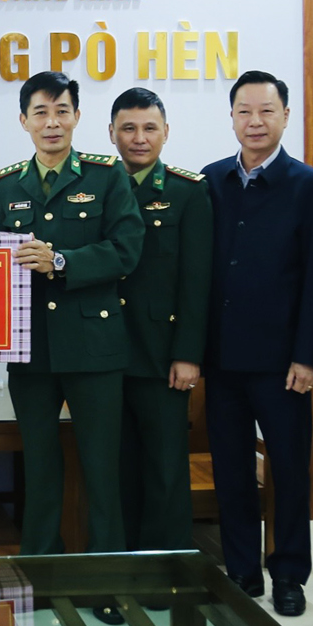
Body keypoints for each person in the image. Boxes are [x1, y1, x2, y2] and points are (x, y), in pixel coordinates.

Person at [0, 71, 144, 556]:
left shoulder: (107, 176)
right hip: (31, 349)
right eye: (41, 112)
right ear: (24, 121)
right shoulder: (7, 184)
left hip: (94, 347)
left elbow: (127, 250)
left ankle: (107, 574)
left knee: (102, 469)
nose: (52, 122)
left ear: (77, 117)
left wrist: (60, 261)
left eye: (62, 111)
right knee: (39, 468)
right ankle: (41, 569)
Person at [202, 70, 313, 617]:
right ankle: (242, 570)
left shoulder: (309, 186)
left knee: (290, 470)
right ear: (231, 118)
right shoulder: (209, 181)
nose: (255, 122)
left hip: (283, 363)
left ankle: (290, 574)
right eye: (244, 112)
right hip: (222, 359)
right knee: (231, 470)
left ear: (285, 116)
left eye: (266, 111)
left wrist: (307, 354)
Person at [108, 87, 211, 554]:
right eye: (128, 128)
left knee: (165, 469)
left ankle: (168, 569)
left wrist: (188, 354)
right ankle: (123, 565)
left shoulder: (188, 192)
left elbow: (196, 280)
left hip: (161, 355)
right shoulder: (97, 187)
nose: (139, 138)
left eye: (149, 128)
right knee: (115, 468)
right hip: (105, 351)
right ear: (111, 133)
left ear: (165, 132)